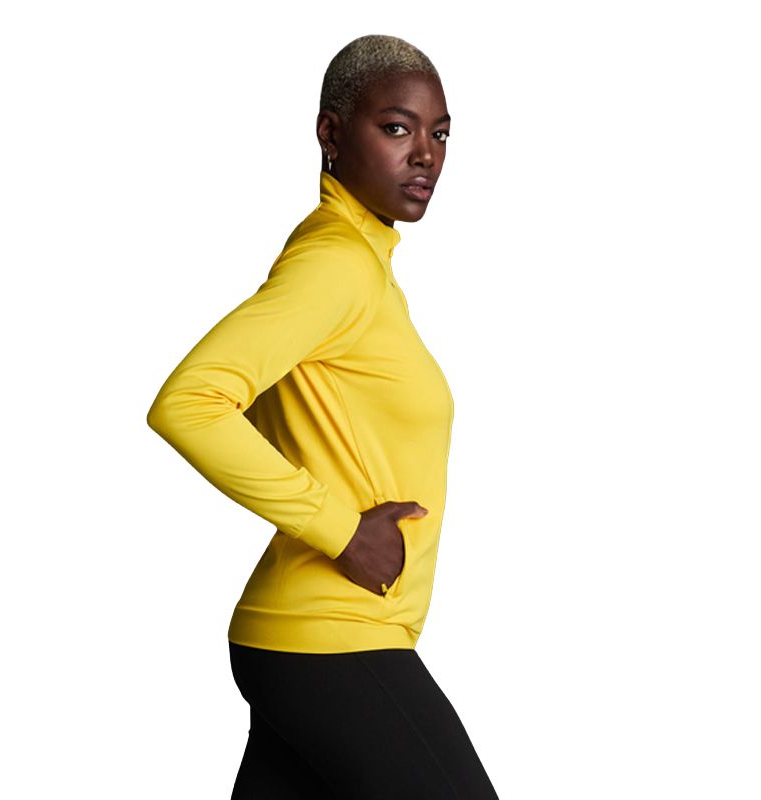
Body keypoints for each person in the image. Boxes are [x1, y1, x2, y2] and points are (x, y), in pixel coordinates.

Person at [147, 33, 500, 800]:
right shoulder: (335, 265)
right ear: (331, 133)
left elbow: (278, 411)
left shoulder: (359, 264)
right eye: (397, 127)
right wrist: (341, 529)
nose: (426, 155)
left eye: (441, 134)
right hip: (331, 639)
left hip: (307, 641)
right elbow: (189, 402)